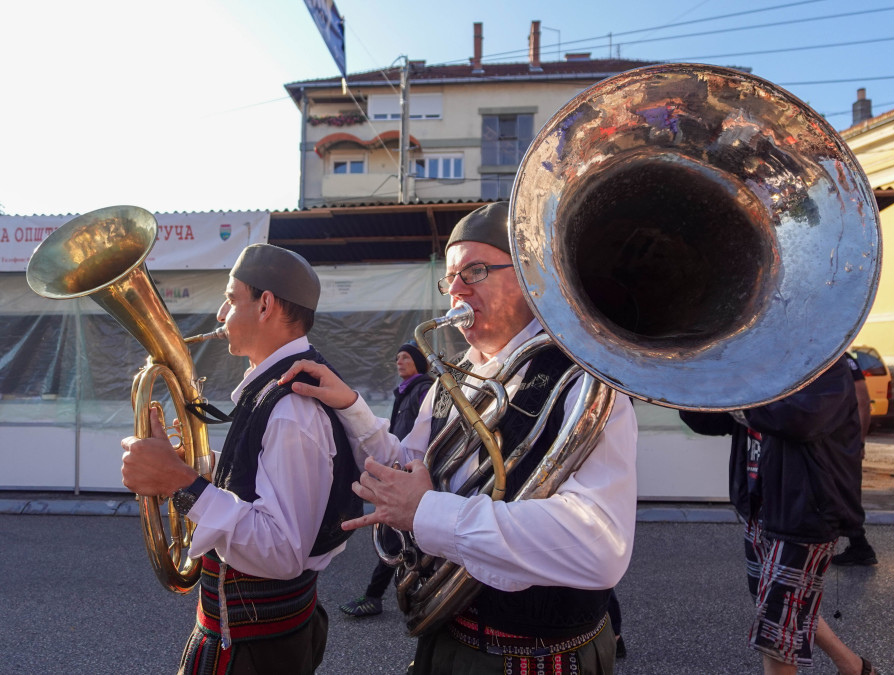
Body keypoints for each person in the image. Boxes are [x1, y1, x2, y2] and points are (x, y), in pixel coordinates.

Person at [281, 201, 639, 674]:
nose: (455, 290)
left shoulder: (585, 385)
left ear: (532, 278)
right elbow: (411, 470)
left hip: (545, 659)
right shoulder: (454, 381)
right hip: (447, 640)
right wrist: (352, 407)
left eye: (475, 271)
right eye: (449, 277)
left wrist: (429, 513)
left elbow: (598, 549)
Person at [120, 244, 361, 674]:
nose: (219, 314)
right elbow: (260, 477)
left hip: (253, 650)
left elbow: (282, 552)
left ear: (265, 304)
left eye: (231, 299)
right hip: (254, 638)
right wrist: (195, 465)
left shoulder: (292, 408)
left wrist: (181, 483)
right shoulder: (277, 387)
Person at [680, 356, 878, 675]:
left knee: (776, 627)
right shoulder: (760, 369)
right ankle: (854, 667)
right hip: (761, 508)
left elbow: (799, 420)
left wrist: (734, 393)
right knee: (778, 603)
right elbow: (712, 422)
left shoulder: (827, 365)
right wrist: (688, 387)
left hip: (805, 511)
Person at [339, 342, 433, 618]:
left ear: (419, 362)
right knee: (402, 538)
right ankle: (410, 595)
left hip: (416, 475)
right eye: (397, 357)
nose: (399, 362)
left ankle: (375, 597)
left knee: (394, 539)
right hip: (402, 471)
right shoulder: (405, 392)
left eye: (405, 357)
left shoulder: (424, 390)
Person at [832, 352, 878, 566]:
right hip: (833, 441)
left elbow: (863, 401)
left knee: (844, 491)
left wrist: (858, 442)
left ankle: (860, 545)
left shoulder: (843, 357)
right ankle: (858, 544)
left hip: (840, 442)